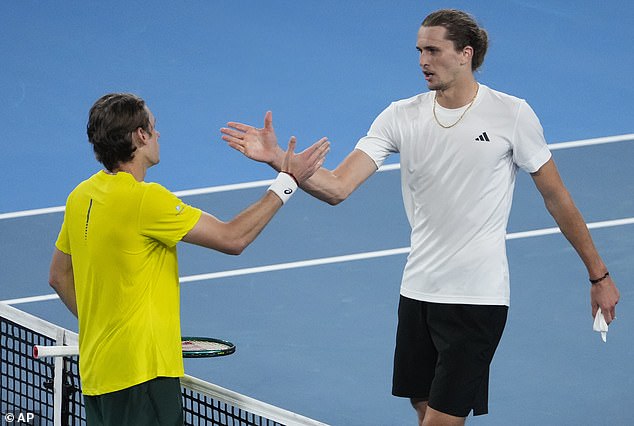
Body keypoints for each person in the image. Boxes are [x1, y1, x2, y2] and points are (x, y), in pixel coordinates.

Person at [220, 9, 620, 425]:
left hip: (476, 299)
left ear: (465, 54)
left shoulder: (512, 114)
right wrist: (280, 163)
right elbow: (337, 187)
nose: (422, 61)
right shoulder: (400, 116)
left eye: (433, 50)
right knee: (424, 409)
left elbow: (558, 199)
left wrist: (598, 275)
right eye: (419, 51)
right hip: (418, 293)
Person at [48, 93, 329, 426]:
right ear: (140, 135)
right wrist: (289, 180)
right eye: (153, 127)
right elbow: (233, 238)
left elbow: (59, 277)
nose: (158, 135)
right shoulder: (146, 200)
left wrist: (107, 326)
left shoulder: (80, 196)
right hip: (143, 378)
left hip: (97, 377)